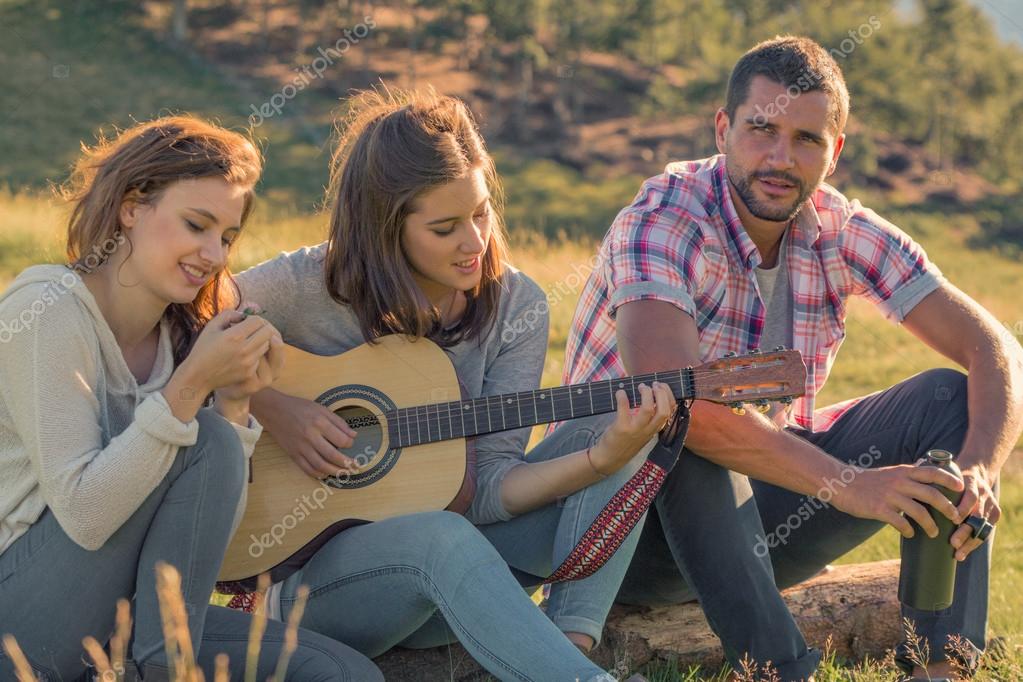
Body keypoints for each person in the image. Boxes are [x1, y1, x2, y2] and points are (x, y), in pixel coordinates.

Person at [559, 36, 1022, 682]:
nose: (780, 158)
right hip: (621, 532)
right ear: (723, 129)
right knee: (682, 416)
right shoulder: (663, 217)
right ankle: (783, 670)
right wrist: (857, 486)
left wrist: (976, 471)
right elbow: (677, 396)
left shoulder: (839, 230)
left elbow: (996, 349)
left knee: (946, 399)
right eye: (761, 129)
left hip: (755, 529)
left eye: (805, 139)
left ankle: (938, 667)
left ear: (833, 154)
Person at [236, 87, 670, 681]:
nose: (475, 241)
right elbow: (181, 328)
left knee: (631, 413)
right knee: (436, 537)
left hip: (462, 571)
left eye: (481, 212)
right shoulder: (307, 284)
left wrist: (603, 457)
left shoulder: (514, 305)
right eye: (445, 227)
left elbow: (489, 489)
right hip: (324, 594)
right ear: (386, 227)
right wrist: (272, 405)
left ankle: (570, 647)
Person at [0, 116, 384, 681]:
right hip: (23, 617)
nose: (214, 254)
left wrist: (233, 400)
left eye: (226, 237)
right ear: (132, 206)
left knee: (341, 673)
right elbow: (84, 515)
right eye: (196, 225)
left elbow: (199, 550)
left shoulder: (182, 337)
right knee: (205, 439)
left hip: (127, 620)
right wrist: (191, 388)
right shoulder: (48, 309)